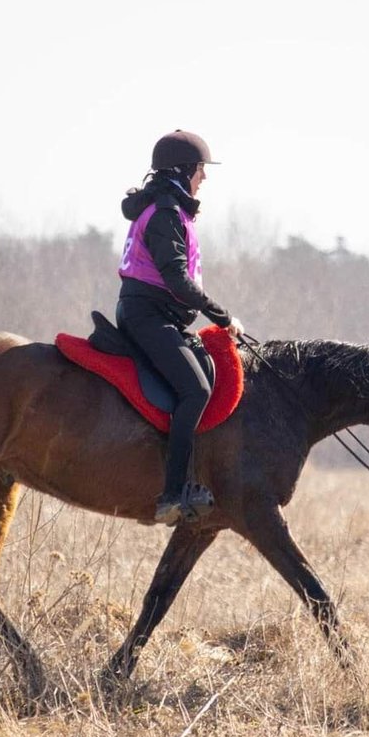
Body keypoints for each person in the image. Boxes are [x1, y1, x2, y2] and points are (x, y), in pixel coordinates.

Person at [116, 130, 244, 525]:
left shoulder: (169, 208)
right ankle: (173, 494)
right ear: (184, 170)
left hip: (158, 316)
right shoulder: (167, 213)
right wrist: (222, 316)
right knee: (195, 390)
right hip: (148, 317)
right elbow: (177, 281)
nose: (204, 177)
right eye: (201, 169)